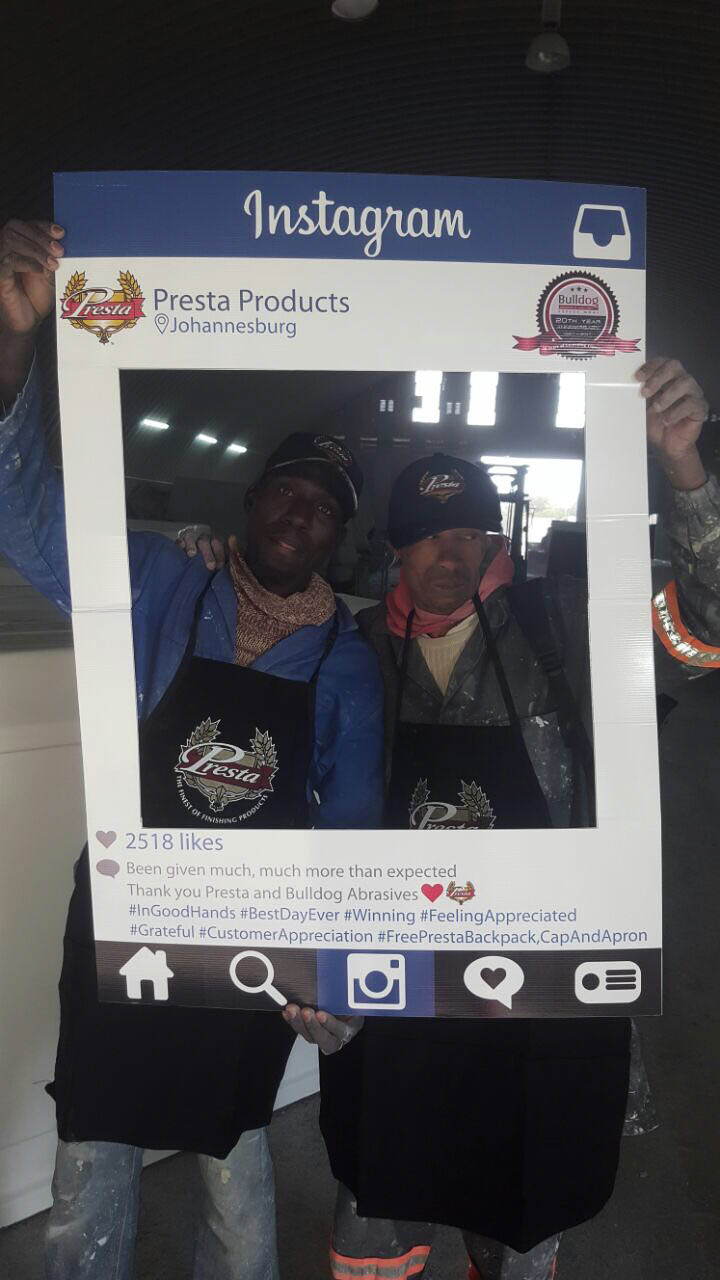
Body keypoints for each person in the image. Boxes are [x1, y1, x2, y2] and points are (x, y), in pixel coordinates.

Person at [0, 218, 384, 1280]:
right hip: (126, 921)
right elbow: (23, 517)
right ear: (252, 498)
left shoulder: (349, 665)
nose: (301, 514)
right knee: (93, 1147)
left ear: (338, 534)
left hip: (250, 949)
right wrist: (15, 345)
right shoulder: (163, 579)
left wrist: (337, 977)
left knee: (235, 1170)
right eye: (288, 490)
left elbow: (352, 834)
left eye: (325, 508)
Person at [311, 358, 720, 1280]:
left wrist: (684, 471)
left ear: (495, 539)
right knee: (382, 1202)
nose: (449, 554)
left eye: (468, 532)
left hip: (539, 995)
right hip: (399, 991)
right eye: (428, 535)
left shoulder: (565, 627)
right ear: (395, 549)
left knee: (519, 1218)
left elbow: (706, 635)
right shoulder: (355, 650)